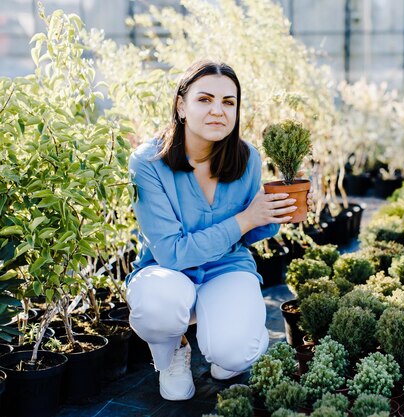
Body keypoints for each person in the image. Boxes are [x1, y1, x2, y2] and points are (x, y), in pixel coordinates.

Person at [126, 60, 311, 401]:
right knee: (159, 306)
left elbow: (246, 234)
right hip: (165, 271)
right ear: (181, 106)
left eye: (228, 102)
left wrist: (271, 214)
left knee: (235, 354)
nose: (218, 111)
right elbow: (172, 252)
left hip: (225, 268)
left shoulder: (247, 158)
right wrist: (244, 220)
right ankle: (173, 352)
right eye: (204, 99)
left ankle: (223, 343)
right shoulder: (147, 162)